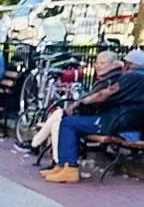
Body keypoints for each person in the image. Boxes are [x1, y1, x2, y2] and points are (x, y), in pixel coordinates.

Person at [42, 47, 144, 181]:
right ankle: (63, 165)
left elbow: (104, 94)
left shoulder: (132, 77)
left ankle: (69, 168)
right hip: (133, 124)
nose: (123, 67)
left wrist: (81, 102)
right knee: (74, 122)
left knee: (69, 123)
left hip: (118, 121)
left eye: (125, 64)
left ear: (130, 65)